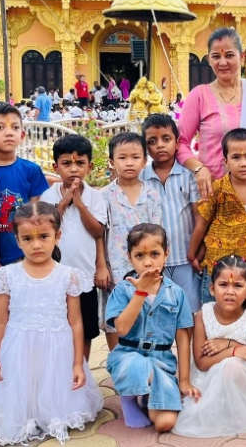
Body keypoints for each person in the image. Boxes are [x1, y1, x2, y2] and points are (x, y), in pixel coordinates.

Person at [0, 202, 104, 443]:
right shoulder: (7, 276)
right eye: (27, 239)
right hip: (19, 349)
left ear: (57, 236)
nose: (36, 245)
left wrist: (77, 364)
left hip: (57, 349)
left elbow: (75, 322)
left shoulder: (68, 276)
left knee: (53, 388)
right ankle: (26, 414)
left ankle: (52, 413)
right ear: (17, 240)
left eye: (44, 237)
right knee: (22, 392)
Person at [172, 255, 246, 437]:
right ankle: (220, 403)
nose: (230, 292)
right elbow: (201, 363)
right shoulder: (202, 316)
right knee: (228, 365)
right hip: (208, 375)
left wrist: (229, 344)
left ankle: (239, 406)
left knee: (232, 366)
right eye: (223, 285)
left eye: (237, 286)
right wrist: (233, 350)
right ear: (211, 288)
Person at [177, 27, 246, 200]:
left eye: (229, 55)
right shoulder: (199, 96)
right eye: (216, 56)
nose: (222, 62)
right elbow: (181, 143)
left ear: (242, 57)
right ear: (209, 59)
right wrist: (198, 168)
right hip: (213, 194)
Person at [105, 224, 198, 431]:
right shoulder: (122, 290)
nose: (147, 262)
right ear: (130, 257)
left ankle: (148, 396)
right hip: (128, 358)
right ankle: (129, 399)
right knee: (140, 366)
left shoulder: (177, 293)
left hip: (161, 363)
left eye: (154, 254)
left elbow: (183, 338)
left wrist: (184, 380)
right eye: (139, 255)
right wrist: (140, 293)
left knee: (165, 423)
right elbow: (121, 329)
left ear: (166, 254)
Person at [41, 134, 109, 360]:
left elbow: (98, 233)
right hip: (55, 277)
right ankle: (60, 369)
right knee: (58, 326)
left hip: (84, 276)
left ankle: (82, 368)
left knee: (85, 329)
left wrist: (79, 204)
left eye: (80, 163)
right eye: (66, 163)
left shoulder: (95, 198)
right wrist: (64, 202)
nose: (73, 169)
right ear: (56, 167)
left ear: (89, 167)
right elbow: (46, 227)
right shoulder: (48, 195)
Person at [188, 129, 246, 304]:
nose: (243, 163)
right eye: (236, 157)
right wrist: (192, 254)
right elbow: (202, 223)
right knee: (211, 313)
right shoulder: (217, 189)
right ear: (226, 162)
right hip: (216, 266)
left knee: (242, 315)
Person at [102, 133, 161, 349]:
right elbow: (100, 234)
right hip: (115, 270)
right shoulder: (104, 196)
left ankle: (146, 360)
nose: (129, 163)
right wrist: (102, 266)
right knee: (115, 317)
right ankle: (117, 360)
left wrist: (156, 264)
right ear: (112, 162)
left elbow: (158, 234)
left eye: (135, 157)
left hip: (146, 269)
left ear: (144, 161)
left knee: (146, 313)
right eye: (122, 157)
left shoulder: (152, 195)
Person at [140, 114, 201, 313]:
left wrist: (197, 251)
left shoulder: (189, 176)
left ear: (177, 143)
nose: (160, 145)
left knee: (189, 311)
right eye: (152, 141)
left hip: (186, 259)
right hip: (153, 263)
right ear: (145, 147)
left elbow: (199, 217)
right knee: (158, 313)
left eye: (166, 139)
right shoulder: (141, 178)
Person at [0, 103, 49, 267]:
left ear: (22, 135)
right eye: (0, 127)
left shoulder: (31, 170)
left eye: (15, 127)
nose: (9, 132)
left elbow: (37, 212)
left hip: (23, 256)